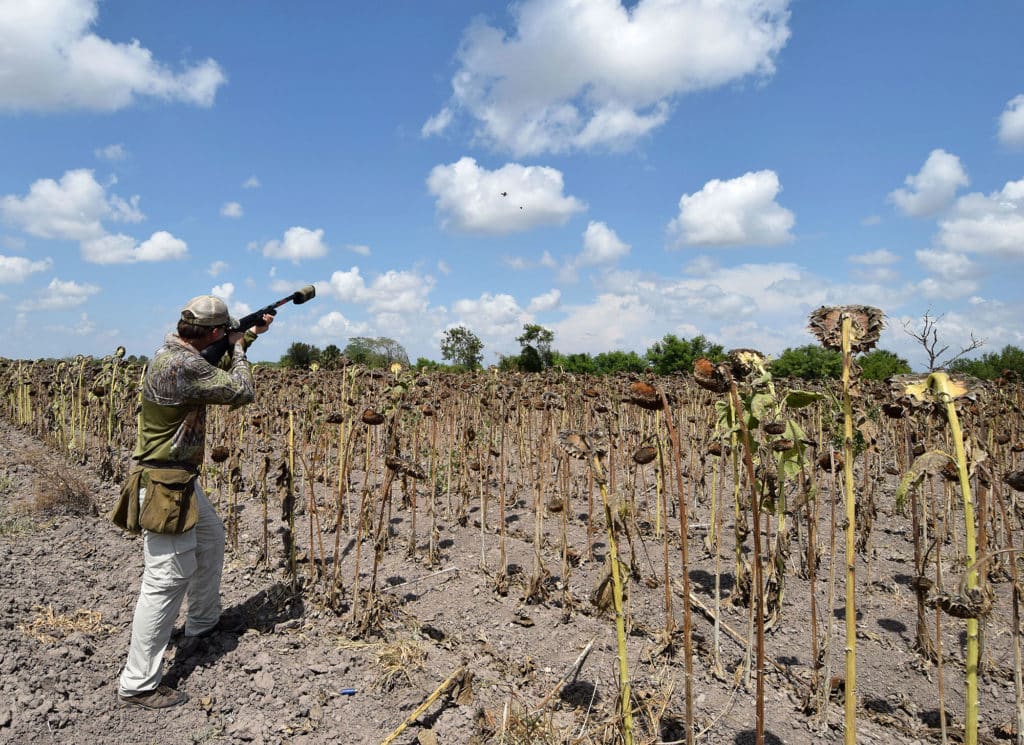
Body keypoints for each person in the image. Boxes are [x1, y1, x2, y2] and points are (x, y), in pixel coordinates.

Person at [117, 295, 272, 710]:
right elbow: (240, 390)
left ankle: (202, 623)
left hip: (179, 477)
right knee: (166, 577)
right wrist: (240, 347)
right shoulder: (182, 365)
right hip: (165, 484)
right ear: (216, 332)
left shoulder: (173, 352)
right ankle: (138, 684)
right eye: (225, 333)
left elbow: (211, 370)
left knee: (211, 538)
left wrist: (248, 336)